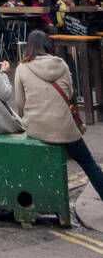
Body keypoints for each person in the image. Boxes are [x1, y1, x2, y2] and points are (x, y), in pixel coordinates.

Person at [14, 30, 103, 202]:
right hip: (64, 129)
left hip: (36, 127)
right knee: (88, 163)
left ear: (29, 47)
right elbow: (69, 93)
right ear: (48, 45)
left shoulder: (22, 68)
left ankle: (35, 201)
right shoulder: (61, 64)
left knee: (33, 165)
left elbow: (19, 102)